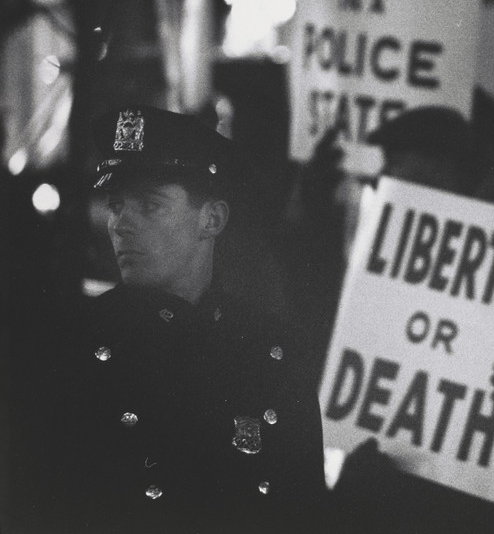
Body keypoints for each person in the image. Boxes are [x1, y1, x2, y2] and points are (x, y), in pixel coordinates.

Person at [51, 106, 328, 533]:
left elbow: (305, 511)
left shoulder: (273, 351)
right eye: (116, 205)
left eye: (150, 205)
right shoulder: (69, 347)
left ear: (212, 219)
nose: (121, 224)